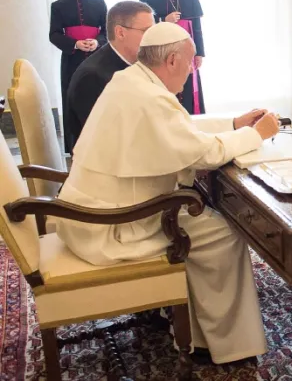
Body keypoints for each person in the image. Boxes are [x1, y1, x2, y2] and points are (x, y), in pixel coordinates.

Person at [51, 23, 278, 364]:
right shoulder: (148, 96)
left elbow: (178, 129)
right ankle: (225, 348)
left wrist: (234, 124)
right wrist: (258, 134)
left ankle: (204, 332)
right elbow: (203, 153)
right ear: (172, 60)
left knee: (207, 221)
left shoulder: (131, 80)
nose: (192, 70)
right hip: (113, 225)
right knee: (222, 231)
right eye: (190, 62)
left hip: (97, 210)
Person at [65, 1, 154, 151]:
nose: (152, 38)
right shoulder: (92, 77)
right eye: (146, 31)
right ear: (120, 33)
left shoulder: (135, 64)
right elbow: (103, 141)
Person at [49, 0, 107, 153]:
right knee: (73, 98)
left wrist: (97, 42)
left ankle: (102, 141)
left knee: (100, 98)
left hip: (98, 59)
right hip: (71, 61)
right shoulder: (58, 6)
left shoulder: (99, 3)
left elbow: (108, 32)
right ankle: (77, 147)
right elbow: (54, 35)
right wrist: (75, 44)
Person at [139, 0, 206, 115]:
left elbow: (196, 26)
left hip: (186, 48)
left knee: (188, 85)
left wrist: (199, 53)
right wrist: (163, 19)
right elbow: (141, 23)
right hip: (161, 50)